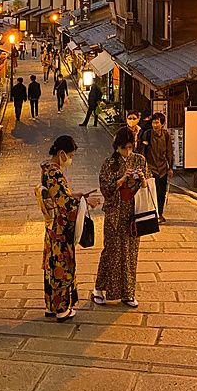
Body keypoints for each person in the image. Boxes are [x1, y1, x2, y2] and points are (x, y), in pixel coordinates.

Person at [40, 135, 101, 322]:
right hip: (60, 228)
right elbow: (65, 204)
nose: (71, 159)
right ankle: (62, 309)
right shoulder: (55, 173)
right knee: (62, 266)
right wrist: (85, 202)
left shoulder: (47, 170)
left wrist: (76, 195)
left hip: (52, 228)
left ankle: (52, 305)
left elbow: (59, 196)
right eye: (71, 155)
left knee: (52, 266)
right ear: (61, 154)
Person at [92, 126, 150, 308]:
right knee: (111, 252)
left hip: (133, 213)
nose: (128, 151)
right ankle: (99, 289)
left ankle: (128, 292)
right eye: (124, 148)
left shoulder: (140, 160)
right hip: (115, 213)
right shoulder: (110, 163)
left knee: (131, 253)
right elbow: (105, 188)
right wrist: (121, 179)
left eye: (131, 147)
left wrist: (142, 179)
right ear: (116, 147)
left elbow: (147, 186)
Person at [139, 112, 173, 223]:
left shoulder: (166, 135)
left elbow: (169, 152)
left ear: (162, 124)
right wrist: (143, 167)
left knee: (161, 193)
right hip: (150, 168)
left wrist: (170, 167)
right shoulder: (147, 134)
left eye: (157, 122)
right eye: (153, 122)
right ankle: (153, 214)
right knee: (151, 193)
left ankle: (160, 214)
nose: (155, 125)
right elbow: (142, 152)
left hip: (162, 169)